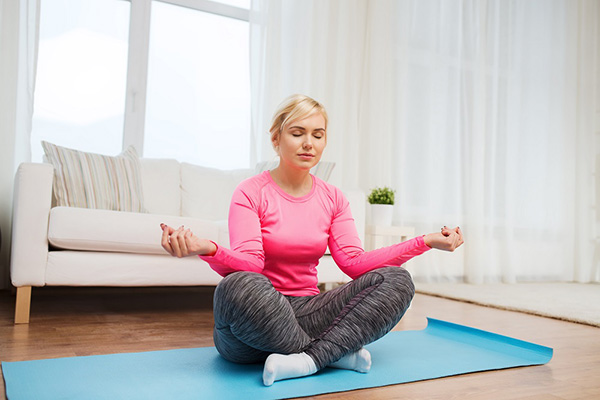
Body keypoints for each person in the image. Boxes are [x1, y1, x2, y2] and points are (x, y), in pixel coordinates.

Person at [160, 94, 464, 386]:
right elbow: (251, 265)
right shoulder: (251, 192)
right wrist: (207, 248)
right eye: (297, 133)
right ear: (276, 139)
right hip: (251, 327)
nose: (309, 143)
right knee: (238, 286)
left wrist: (425, 241)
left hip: (309, 312)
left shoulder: (333, 198)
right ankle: (331, 355)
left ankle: (308, 360)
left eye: (318, 135)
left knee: (398, 281)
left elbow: (354, 263)